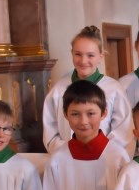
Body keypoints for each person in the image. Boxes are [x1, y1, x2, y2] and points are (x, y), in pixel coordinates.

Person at [43, 25, 133, 154]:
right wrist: (68, 153)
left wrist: (103, 154)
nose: (83, 60)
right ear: (72, 54)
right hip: (67, 157)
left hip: (104, 158)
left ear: (101, 56)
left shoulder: (114, 90)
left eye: (90, 55)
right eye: (78, 54)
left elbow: (123, 132)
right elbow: (50, 130)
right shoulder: (59, 89)